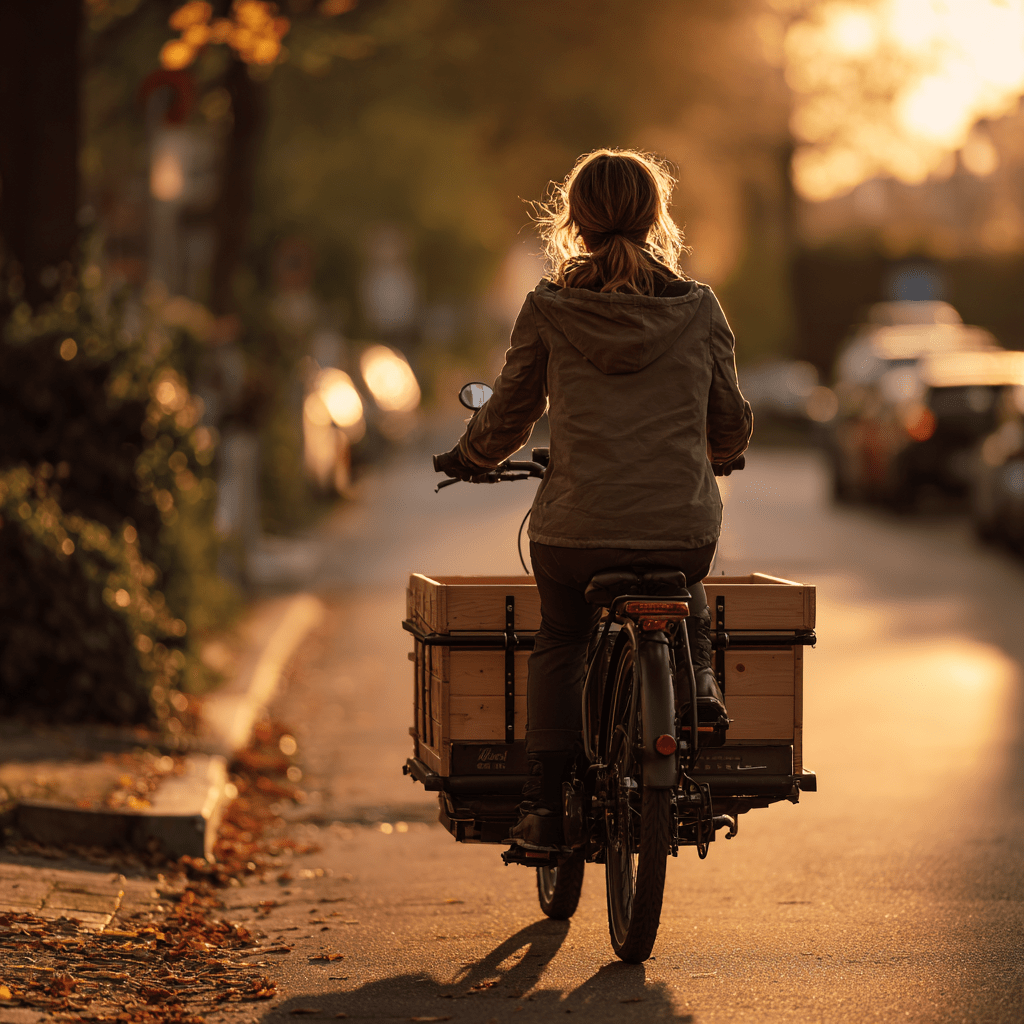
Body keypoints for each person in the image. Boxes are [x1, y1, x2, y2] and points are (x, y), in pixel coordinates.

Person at [434, 148, 752, 850]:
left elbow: (510, 413)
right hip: (680, 528)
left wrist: (469, 456)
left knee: (563, 637)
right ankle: (698, 683)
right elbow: (728, 419)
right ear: (656, 217)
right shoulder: (698, 307)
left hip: (576, 533)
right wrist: (723, 455)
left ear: (574, 222)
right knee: (685, 576)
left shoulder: (550, 308)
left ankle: (546, 807)